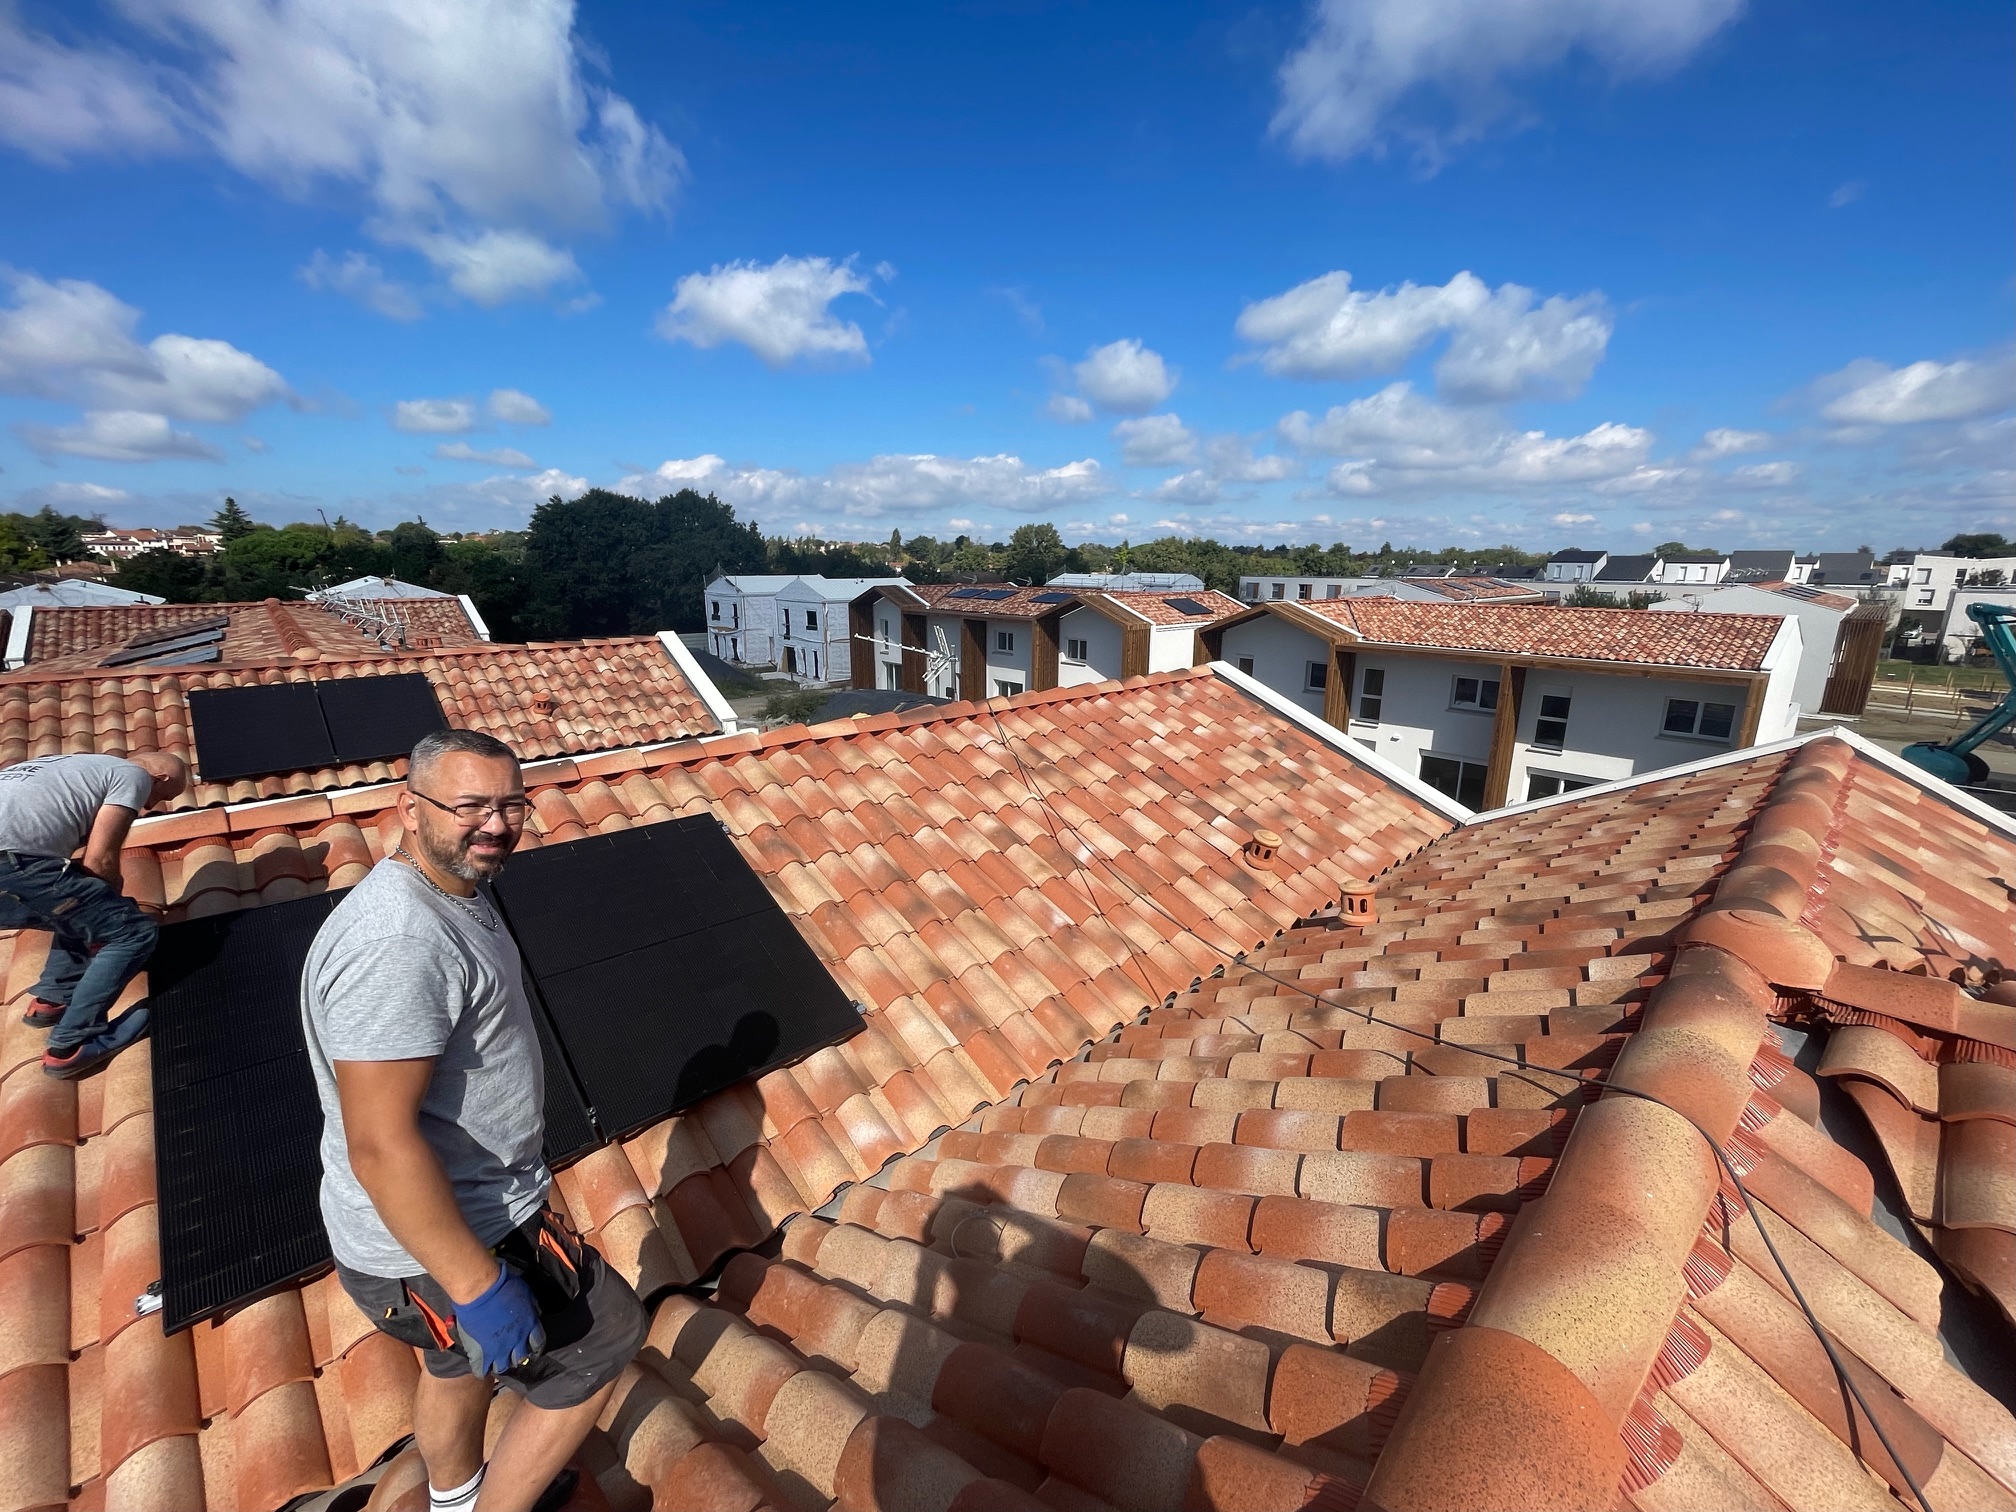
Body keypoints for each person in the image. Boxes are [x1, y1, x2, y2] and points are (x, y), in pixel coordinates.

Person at [300, 729, 644, 1512]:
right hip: (443, 1235)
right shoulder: (398, 942)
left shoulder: (452, 893)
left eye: (510, 804)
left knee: (454, 1364)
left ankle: (452, 1499)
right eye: (468, 806)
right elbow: (382, 1144)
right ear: (409, 809)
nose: (494, 824)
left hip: (453, 1217)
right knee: (606, 1339)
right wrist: (478, 1282)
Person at [0, 750, 188, 1079]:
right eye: (161, 797)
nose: (148, 806)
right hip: (13, 865)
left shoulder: (66, 764)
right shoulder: (132, 776)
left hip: (13, 868)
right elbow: (99, 859)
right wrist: (110, 903)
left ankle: (52, 1000)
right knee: (131, 931)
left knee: (77, 903)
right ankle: (72, 1045)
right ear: (161, 779)